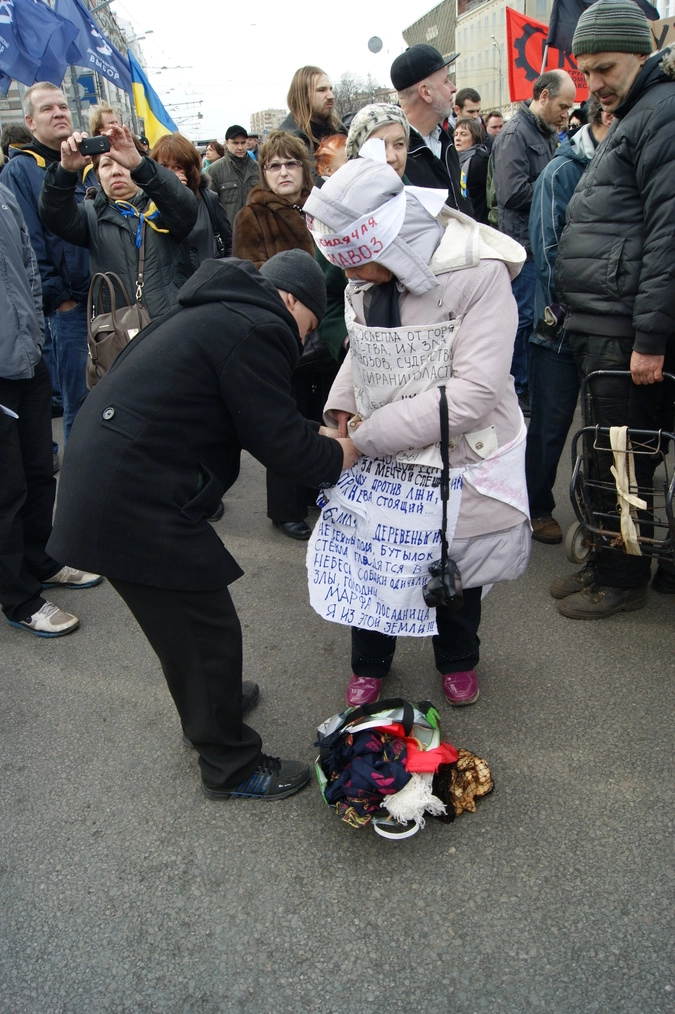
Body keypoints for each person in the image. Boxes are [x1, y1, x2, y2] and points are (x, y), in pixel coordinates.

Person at [47, 250, 359, 800]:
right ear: (292, 301)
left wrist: (319, 434)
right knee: (204, 629)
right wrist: (346, 452)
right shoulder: (259, 326)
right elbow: (283, 446)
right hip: (130, 497)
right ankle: (231, 766)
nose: (304, 340)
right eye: (309, 326)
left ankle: (211, 703)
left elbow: (263, 416)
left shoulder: (221, 312)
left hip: (116, 478)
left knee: (183, 625)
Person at [303, 144, 530, 709]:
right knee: (371, 553)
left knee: (452, 558)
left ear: (395, 243)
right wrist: (339, 411)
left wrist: (365, 437)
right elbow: (362, 349)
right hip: (379, 440)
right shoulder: (364, 271)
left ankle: (457, 658)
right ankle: (370, 663)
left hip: (458, 448)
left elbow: (475, 394)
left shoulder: (476, 273)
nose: (350, 275)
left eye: (357, 262)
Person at [554, 0, 675, 618]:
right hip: (607, 321)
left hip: (626, 326)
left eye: (605, 69)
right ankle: (607, 560)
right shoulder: (636, 112)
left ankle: (621, 578)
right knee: (605, 450)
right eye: (585, 71)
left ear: (642, 52)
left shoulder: (661, 114)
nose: (593, 84)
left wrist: (650, 337)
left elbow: (667, 235)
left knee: (619, 459)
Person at [0, 182, 101, 638]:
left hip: (27, 359)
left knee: (40, 471)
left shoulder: (3, 194)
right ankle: (18, 597)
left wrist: (35, 332)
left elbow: (26, 263)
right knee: (6, 491)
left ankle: (41, 561)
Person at [233, 131, 332, 540]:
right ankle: (285, 507)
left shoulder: (323, 207)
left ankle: (316, 488)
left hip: (326, 332)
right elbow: (252, 275)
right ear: (264, 172)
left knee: (322, 412)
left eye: (291, 163)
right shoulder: (252, 215)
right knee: (285, 420)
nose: (283, 172)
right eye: (274, 165)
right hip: (283, 331)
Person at [526, 99, 613, 545]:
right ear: (604, 119)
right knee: (550, 425)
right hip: (559, 328)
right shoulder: (561, 172)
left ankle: (599, 511)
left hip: (604, 328)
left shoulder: (621, 166)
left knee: (601, 428)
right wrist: (579, 308)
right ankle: (536, 506)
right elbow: (547, 252)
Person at [1, 82, 91, 446]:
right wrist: (59, 300)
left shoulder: (86, 162)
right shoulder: (21, 171)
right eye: (47, 109)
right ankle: (78, 495)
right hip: (68, 309)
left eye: (63, 107)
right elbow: (29, 248)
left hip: (104, 299)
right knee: (80, 405)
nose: (58, 114)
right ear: (30, 122)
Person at [39, 124, 198, 321]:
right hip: (119, 333)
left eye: (122, 163)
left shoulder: (160, 205)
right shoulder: (90, 215)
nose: (115, 171)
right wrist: (65, 172)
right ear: (97, 175)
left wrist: (141, 166)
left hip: (169, 324)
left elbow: (186, 210)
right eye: (106, 165)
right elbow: (53, 214)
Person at [491, 70, 576, 412]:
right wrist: (554, 192)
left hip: (541, 244)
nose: (565, 114)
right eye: (562, 105)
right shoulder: (515, 133)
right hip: (521, 247)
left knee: (541, 318)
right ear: (543, 96)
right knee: (523, 319)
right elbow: (511, 193)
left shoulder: (546, 133)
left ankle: (529, 384)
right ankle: (518, 389)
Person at [390, 44, 471, 216]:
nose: (453, 87)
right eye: (446, 81)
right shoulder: (392, 156)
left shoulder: (445, 140)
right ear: (426, 92)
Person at [151, 132, 232, 271]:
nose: (170, 173)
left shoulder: (208, 199)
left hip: (209, 283)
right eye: (163, 166)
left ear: (189, 170)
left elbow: (229, 245)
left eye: (177, 167)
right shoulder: (149, 203)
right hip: (173, 287)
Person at [279, 66, 346, 171]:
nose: (331, 96)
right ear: (303, 96)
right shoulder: (287, 141)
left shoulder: (339, 131)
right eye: (321, 90)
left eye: (330, 89)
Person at [207, 124, 260, 227]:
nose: (240, 147)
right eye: (235, 143)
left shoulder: (259, 169)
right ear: (227, 143)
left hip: (257, 233)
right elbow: (210, 207)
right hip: (230, 235)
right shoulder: (214, 170)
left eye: (243, 142)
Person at [453, 116, 490, 224]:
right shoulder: (455, 159)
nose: (458, 138)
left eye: (463, 134)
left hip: (479, 220)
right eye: (456, 134)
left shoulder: (480, 160)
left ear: (474, 137)